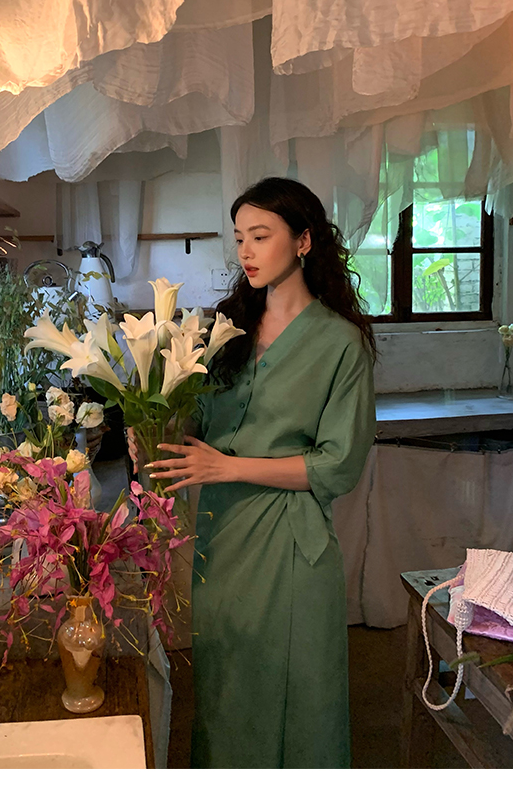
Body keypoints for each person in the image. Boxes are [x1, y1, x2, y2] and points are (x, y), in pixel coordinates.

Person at [133, 177, 377, 769]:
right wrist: (152, 428)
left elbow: (338, 464)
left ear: (303, 241)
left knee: (296, 694)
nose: (245, 251)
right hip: (221, 539)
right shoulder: (225, 329)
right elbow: (194, 424)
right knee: (224, 691)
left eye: (261, 236)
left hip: (290, 545)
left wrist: (226, 466)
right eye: (240, 237)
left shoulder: (341, 344)